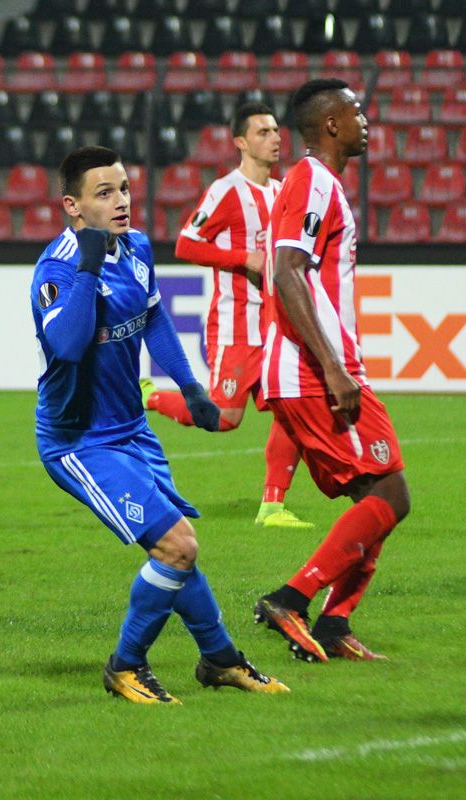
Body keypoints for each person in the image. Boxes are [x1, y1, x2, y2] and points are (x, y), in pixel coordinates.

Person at [30, 145, 289, 703]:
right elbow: (69, 345)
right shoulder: (54, 271)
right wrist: (89, 266)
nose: (121, 201)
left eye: (123, 187)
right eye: (105, 193)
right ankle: (126, 665)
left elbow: (153, 319)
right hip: (78, 439)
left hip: (130, 430)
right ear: (73, 206)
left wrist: (190, 386)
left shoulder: (140, 247)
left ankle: (220, 660)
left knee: (176, 546)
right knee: (176, 546)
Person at [254, 79, 411, 662]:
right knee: (390, 494)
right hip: (314, 371)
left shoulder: (321, 185)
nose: (366, 120)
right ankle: (292, 599)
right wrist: (334, 369)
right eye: (356, 112)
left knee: (380, 497)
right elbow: (289, 271)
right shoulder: (312, 180)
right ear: (330, 126)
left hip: (318, 368)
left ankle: (334, 622)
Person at [143, 102, 312, 530]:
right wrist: (245, 259)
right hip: (237, 324)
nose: (275, 138)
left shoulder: (284, 190)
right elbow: (186, 245)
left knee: (293, 409)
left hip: (278, 325)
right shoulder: (226, 191)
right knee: (223, 419)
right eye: (263, 132)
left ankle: (273, 506)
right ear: (240, 141)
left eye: (276, 131)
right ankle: (150, 397)